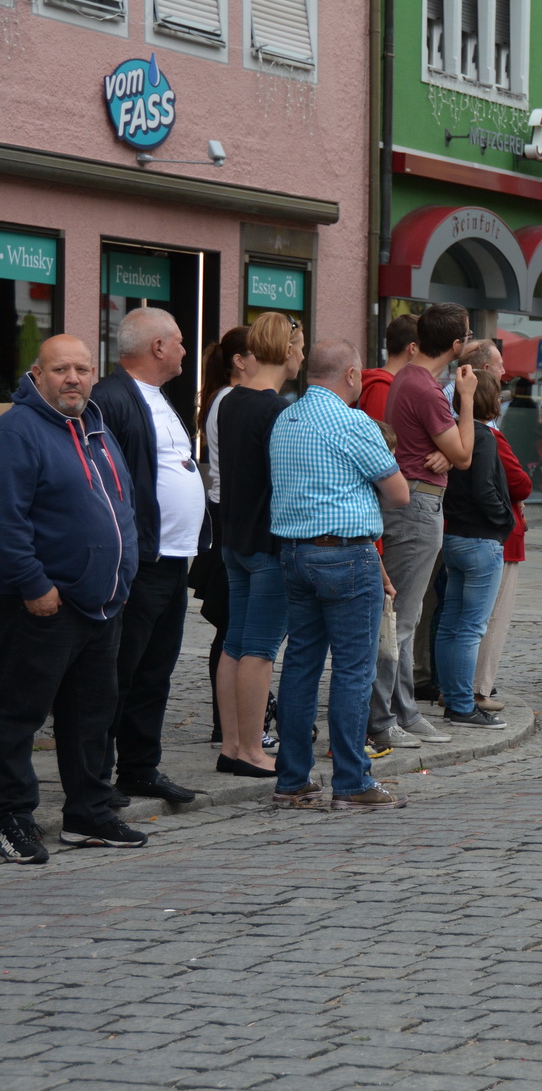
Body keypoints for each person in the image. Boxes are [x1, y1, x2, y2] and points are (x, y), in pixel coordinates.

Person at [0, 334, 147, 859]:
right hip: (45, 604)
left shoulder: (95, 427)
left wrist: (122, 573)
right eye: (61, 369)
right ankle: (11, 816)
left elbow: (121, 504)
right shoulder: (18, 431)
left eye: (82, 370)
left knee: (91, 717)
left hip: (102, 603)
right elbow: (7, 519)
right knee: (18, 715)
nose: (73, 379)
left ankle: (88, 814)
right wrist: (34, 584)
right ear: (37, 375)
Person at [268, 339, 412, 810]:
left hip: (294, 554)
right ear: (351, 375)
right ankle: (351, 781)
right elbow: (399, 494)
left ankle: (292, 779)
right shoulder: (353, 422)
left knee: (301, 665)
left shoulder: (286, 419)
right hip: (346, 555)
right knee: (353, 669)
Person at [89, 308, 203, 807]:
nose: (184, 350)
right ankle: (96, 776)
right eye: (178, 341)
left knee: (155, 671)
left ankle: (140, 767)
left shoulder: (160, 396)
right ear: (157, 347)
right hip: (139, 561)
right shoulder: (111, 398)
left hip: (174, 558)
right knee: (119, 671)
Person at [371, 303, 477, 754]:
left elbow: (445, 450)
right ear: (455, 345)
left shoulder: (409, 378)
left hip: (413, 499)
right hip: (417, 506)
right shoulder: (429, 388)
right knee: (399, 618)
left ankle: (403, 712)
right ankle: (383, 719)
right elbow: (465, 454)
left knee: (403, 616)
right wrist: (466, 399)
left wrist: (445, 452)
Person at [216, 312, 304, 778]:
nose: (302, 358)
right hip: (267, 543)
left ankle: (232, 745)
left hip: (234, 537)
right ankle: (252, 749)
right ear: (287, 351)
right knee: (260, 649)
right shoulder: (277, 410)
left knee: (235, 643)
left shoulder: (231, 400)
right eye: (300, 349)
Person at [438, 369, 516, 729]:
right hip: (480, 540)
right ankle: (461, 704)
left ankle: (452, 698)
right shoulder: (483, 437)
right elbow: (485, 488)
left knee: (450, 625)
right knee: (469, 629)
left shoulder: (455, 434)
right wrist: (505, 520)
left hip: (454, 537)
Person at [193, 326, 255, 747]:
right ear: (239, 361)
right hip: (227, 519)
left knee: (233, 626)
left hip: (224, 517)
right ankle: (227, 723)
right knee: (233, 629)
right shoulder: (229, 400)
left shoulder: (223, 397)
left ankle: (230, 721)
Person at [473, 403, 534, 714]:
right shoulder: (491, 436)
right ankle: (478, 688)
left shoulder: (455, 433)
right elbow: (520, 482)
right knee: (494, 616)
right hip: (498, 536)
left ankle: (456, 687)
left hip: (463, 533)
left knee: (461, 618)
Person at [358, 313, 419, 421]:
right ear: (413, 348)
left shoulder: (388, 384)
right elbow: (382, 430)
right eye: (425, 349)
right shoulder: (382, 388)